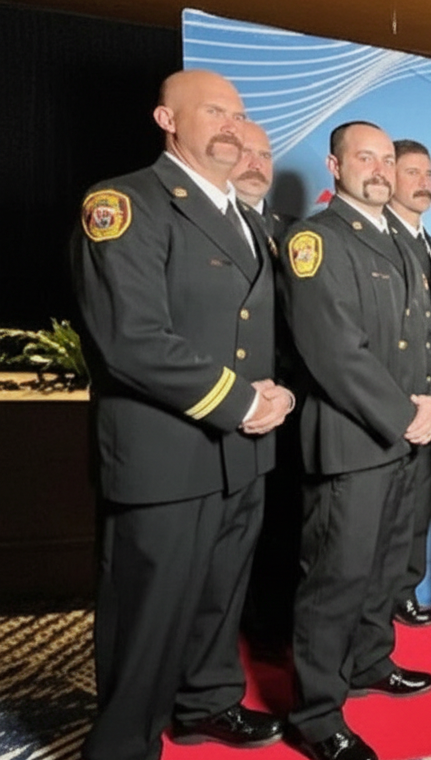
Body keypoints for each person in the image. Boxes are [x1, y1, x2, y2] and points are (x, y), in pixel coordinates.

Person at [72, 69, 291, 760]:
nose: (232, 126)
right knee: (147, 615)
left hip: (241, 453)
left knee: (220, 596)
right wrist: (244, 401)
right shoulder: (125, 202)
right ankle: (123, 745)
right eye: (214, 112)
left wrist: (277, 394)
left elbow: (254, 330)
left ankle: (206, 702)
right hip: (165, 454)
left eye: (239, 114)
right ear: (167, 120)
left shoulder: (247, 218)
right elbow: (132, 339)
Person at [279, 121, 431, 760]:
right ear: (335, 166)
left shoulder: (402, 241)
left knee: (384, 568)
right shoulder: (316, 240)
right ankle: (317, 714)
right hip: (352, 440)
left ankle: (372, 660)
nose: (378, 169)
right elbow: (334, 351)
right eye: (364, 158)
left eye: (386, 159)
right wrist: (404, 413)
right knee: (337, 578)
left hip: (405, 436)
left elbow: (427, 334)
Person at [233, 120, 303, 660]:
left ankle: (271, 628)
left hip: (293, 403)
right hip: (228, 402)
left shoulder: (294, 233)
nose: (257, 164)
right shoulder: (201, 225)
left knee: (283, 520)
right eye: (245, 153)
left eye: (265, 155)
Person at [384, 138, 431, 627]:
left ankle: (404, 589)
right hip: (390, 400)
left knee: (417, 505)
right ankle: (377, 597)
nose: (423, 182)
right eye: (411, 172)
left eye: (428, 173)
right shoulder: (376, 237)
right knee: (382, 510)